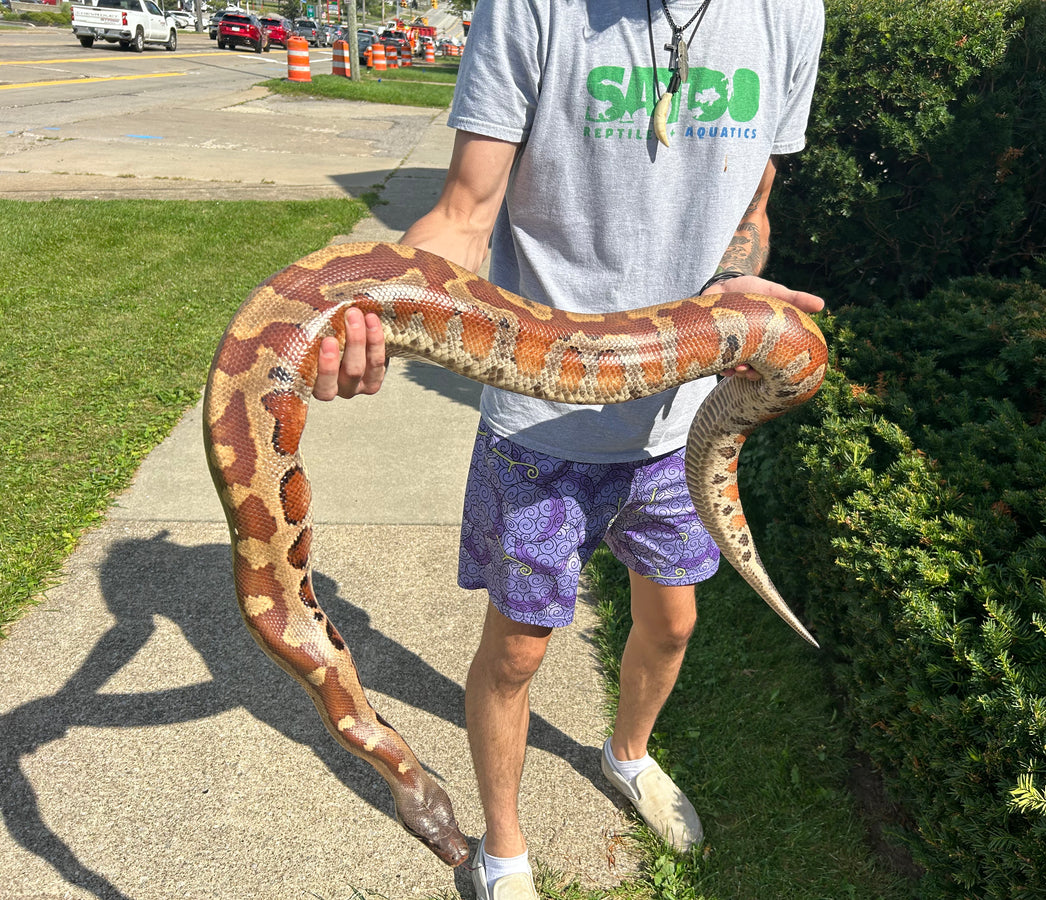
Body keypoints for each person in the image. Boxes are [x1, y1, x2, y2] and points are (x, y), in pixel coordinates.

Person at [314, 2, 825, 897]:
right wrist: (373, 302)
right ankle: (505, 851)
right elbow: (466, 214)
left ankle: (628, 756)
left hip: (681, 424)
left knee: (673, 623)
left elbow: (756, 191)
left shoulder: (791, 13)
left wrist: (733, 281)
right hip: (539, 433)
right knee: (518, 652)